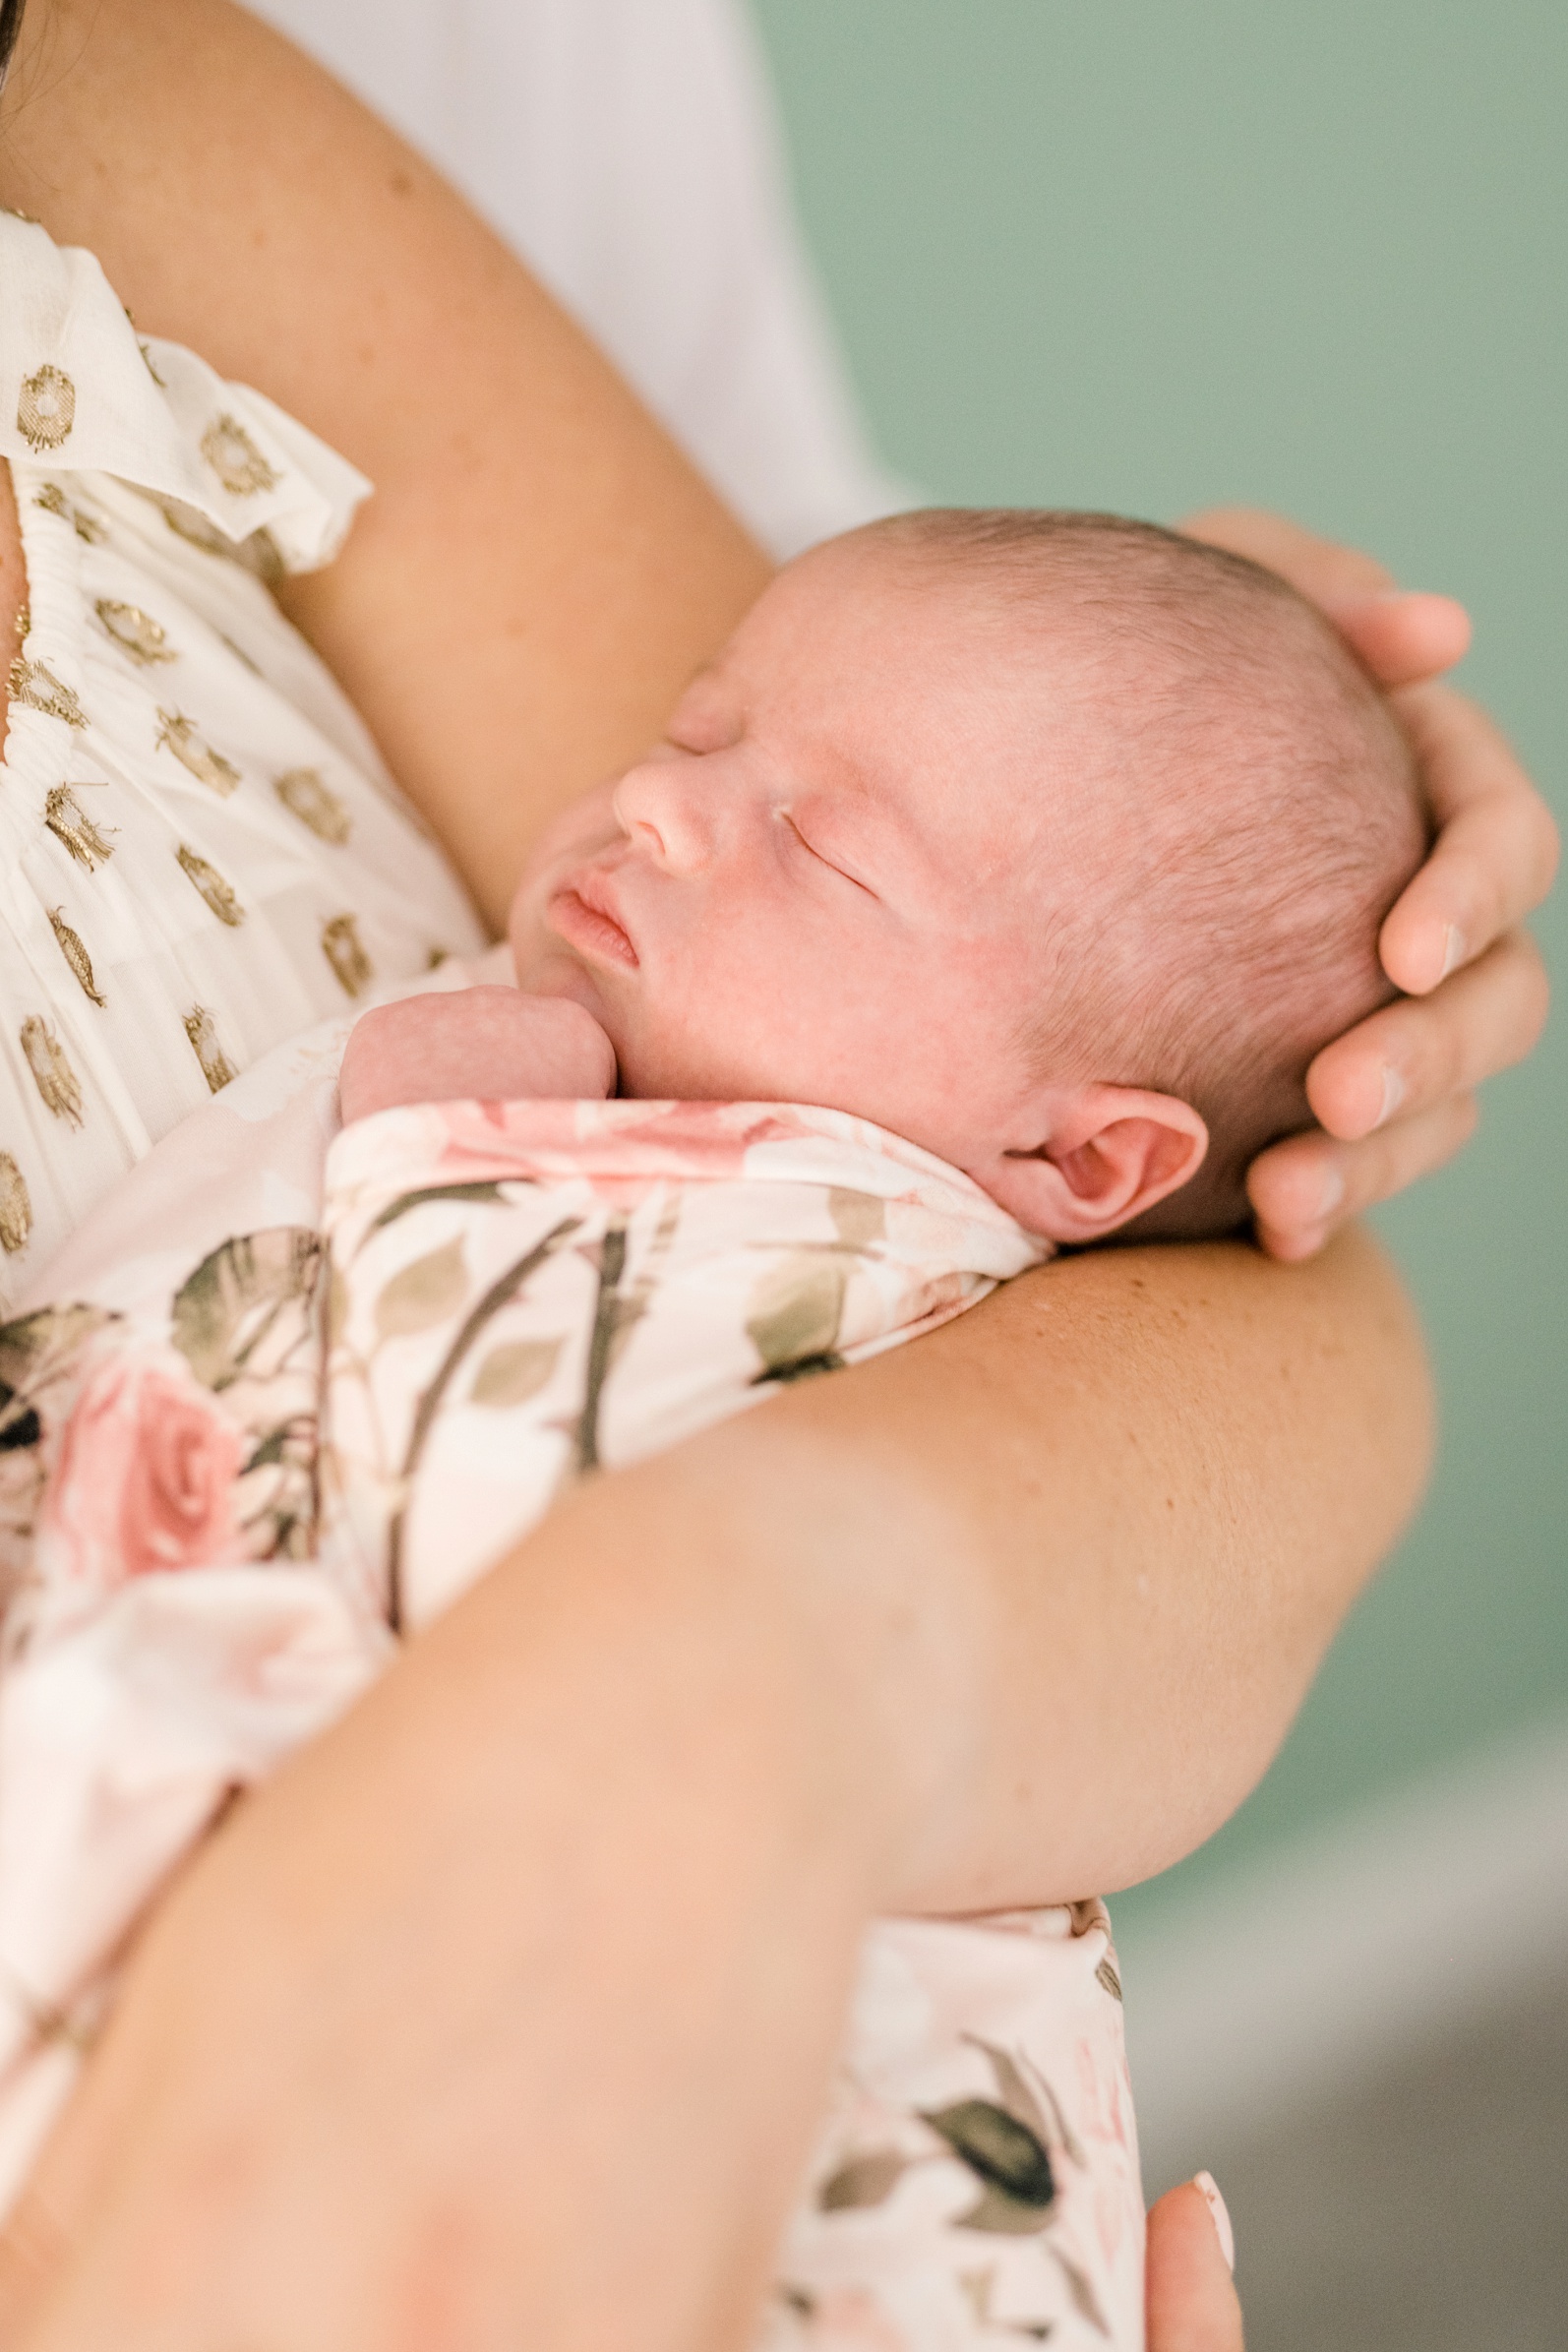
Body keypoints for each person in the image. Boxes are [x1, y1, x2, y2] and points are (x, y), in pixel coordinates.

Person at [0, 3, 1553, 2346]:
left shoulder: (861, 1235)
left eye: (813, 834)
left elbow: (1257, 1379)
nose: (657, 792)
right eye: (694, 724)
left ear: (1084, 1153)